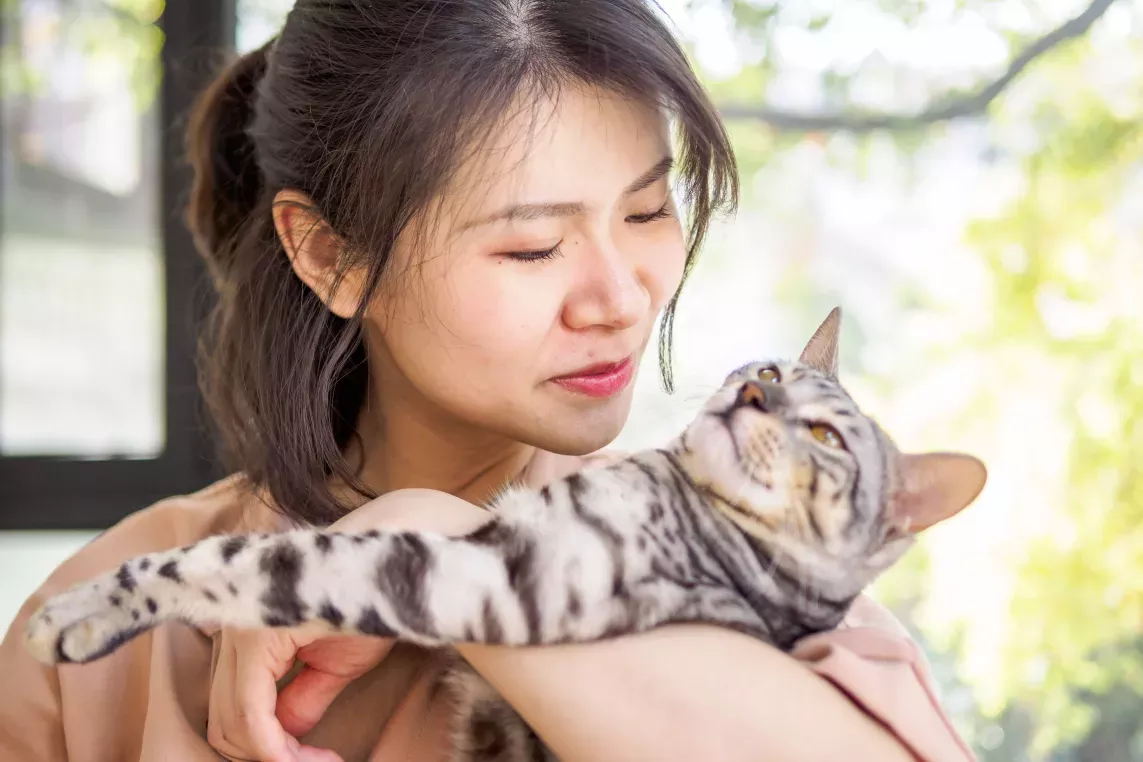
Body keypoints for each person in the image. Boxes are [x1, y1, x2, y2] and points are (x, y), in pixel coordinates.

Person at [0, 1, 975, 760]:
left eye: (646, 212)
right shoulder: (108, 630)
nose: (619, 299)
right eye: (531, 245)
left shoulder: (772, 563)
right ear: (331, 255)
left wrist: (421, 536)